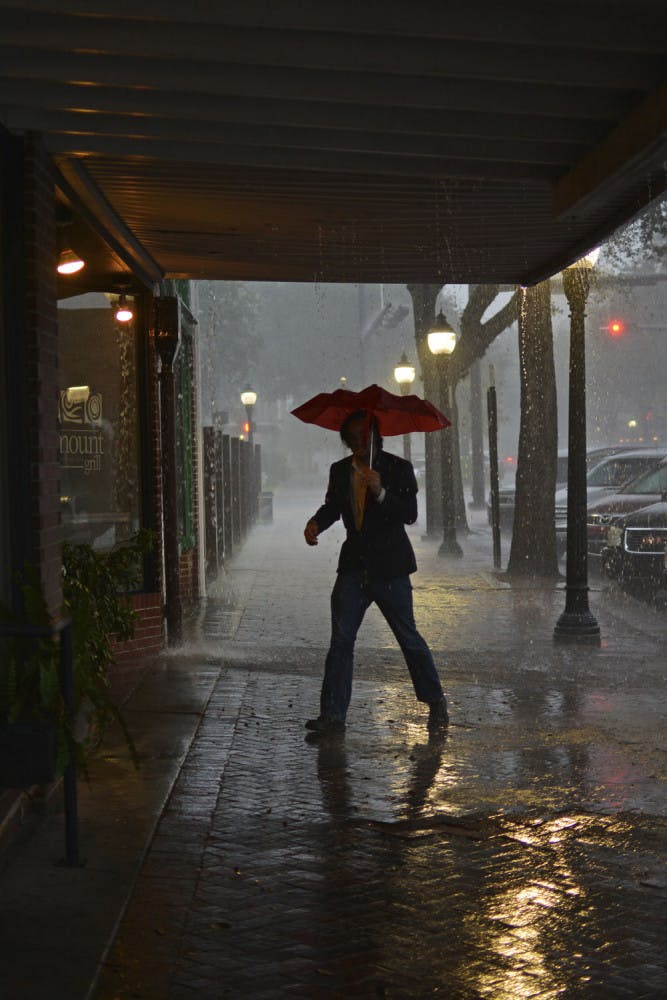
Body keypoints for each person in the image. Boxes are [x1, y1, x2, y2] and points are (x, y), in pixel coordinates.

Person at [303, 410, 449, 736]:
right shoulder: (340, 471)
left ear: (375, 437)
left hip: (391, 568)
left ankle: (435, 700)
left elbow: (409, 514)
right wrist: (316, 523)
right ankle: (333, 717)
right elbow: (332, 507)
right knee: (341, 640)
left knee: (408, 638)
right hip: (354, 567)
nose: (357, 443)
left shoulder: (398, 469)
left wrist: (381, 493)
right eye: (351, 438)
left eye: (362, 437)